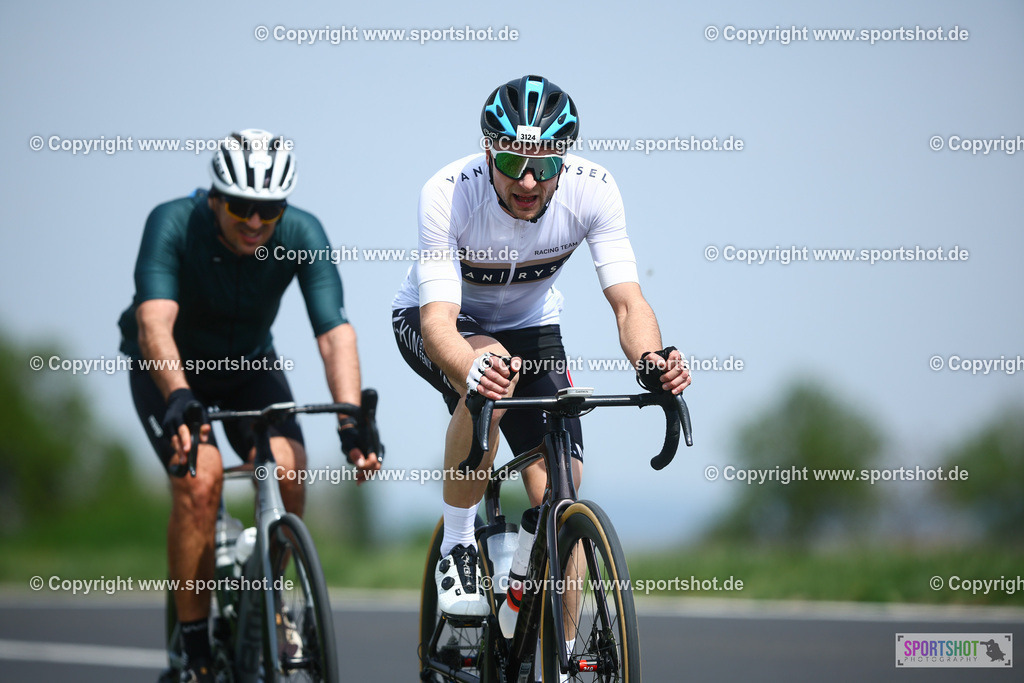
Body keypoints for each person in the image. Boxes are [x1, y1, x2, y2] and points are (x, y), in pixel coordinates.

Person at [391, 75, 690, 619]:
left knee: (561, 494)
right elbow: (437, 324)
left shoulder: (594, 190)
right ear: (489, 152)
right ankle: (458, 546)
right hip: (441, 319)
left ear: (564, 161)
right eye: (512, 162)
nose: (528, 181)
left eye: (545, 165)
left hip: (532, 325)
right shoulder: (448, 192)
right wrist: (474, 369)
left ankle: (562, 642)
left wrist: (651, 361)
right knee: (493, 380)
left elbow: (629, 303)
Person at [118, 129, 381, 683]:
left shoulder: (303, 232)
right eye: (241, 207)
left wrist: (350, 419)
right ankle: (194, 653)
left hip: (249, 366)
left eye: (269, 209)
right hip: (170, 369)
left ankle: (270, 606)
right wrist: (179, 395)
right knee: (201, 481)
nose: (256, 221)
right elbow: (153, 323)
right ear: (216, 198)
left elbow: (334, 334)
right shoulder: (172, 222)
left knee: (288, 467)